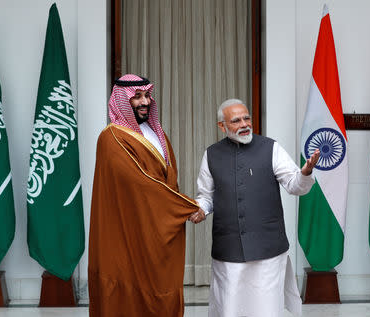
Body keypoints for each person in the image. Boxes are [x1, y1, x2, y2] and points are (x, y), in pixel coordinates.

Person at [189, 99, 320, 317]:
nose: (244, 124)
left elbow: (295, 185)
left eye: (246, 118)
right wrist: (201, 210)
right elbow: (206, 196)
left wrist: (305, 172)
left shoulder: (271, 148)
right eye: (236, 120)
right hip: (228, 248)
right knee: (229, 308)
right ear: (222, 126)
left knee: (266, 309)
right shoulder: (211, 154)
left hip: (267, 248)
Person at [88, 74, 200, 317]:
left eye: (147, 95)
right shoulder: (111, 138)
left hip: (159, 229)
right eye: (136, 97)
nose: (144, 102)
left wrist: (177, 206)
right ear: (121, 100)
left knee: (163, 289)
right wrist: (186, 206)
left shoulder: (155, 132)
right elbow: (140, 183)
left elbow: (168, 179)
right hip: (128, 232)